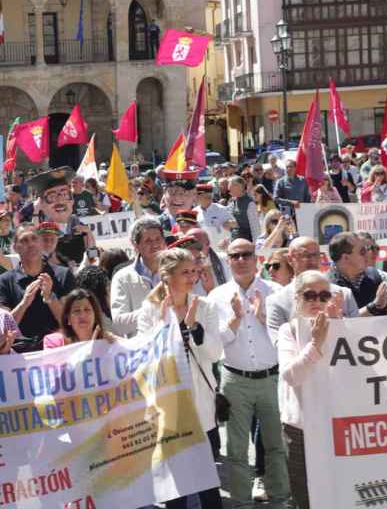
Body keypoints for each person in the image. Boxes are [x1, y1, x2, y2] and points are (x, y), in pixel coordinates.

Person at [137, 248, 222, 509]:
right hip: (169, 408)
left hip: (201, 405)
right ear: (167, 276)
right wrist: (164, 326)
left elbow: (215, 353)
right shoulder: (150, 310)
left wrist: (194, 327)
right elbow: (145, 358)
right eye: (185, 272)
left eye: (194, 271)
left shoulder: (205, 306)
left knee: (208, 484)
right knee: (177, 487)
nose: (192, 277)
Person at [208, 238, 289, 508]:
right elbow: (215, 344)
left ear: (256, 259)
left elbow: (287, 336)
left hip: (271, 378)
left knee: (277, 446)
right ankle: (242, 503)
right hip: (235, 380)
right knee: (236, 449)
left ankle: (280, 500)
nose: (241, 260)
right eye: (235, 256)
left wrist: (262, 315)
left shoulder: (276, 291)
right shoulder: (217, 296)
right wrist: (236, 318)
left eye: (246, 254)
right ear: (228, 261)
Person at [278, 270, 343, 509]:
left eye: (323, 296)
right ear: (297, 298)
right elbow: (291, 376)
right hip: (300, 430)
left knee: (337, 493)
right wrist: (315, 344)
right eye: (310, 295)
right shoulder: (289, 330)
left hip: (336, 426)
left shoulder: (342, 327)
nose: (317, 301)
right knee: (305, 497)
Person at [0, 223, 73, 347]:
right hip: (19, 352)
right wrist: (24, 303)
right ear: (15, 247)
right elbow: (1, 328)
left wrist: (50, 298)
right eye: (24, 240)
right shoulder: (4, 281)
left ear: (41, 243)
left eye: (34, 238)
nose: (31, 244)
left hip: (56, 348)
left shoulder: (63, 275)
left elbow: (71, 322)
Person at [266, 237, 358, 345]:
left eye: (316, 255)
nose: (312, 260)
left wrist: (337, 321)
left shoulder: (344, 294)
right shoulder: (277, 301)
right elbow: (280, 344)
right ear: (290, 259)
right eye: (305, 255)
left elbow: (357, 336)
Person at [328, 232, 387, 315]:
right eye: (362, 251)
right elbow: (342, 321)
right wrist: (374, 306)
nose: (368, 254)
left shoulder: (380, 276)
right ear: (346, 258)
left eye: (368, 249)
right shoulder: (325, 287)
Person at [110, 217, 165, 337]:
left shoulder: (175, 271)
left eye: (158, 239)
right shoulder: (123, 277)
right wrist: (153, 310)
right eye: (148, 241)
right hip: (142, 346)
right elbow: (119, 324)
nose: (155, 244)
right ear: (137, 246)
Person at [43, 289, 114, 349]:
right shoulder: (53, 342)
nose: (82, 315)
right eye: (76, 311)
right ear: (68, 319)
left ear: (95, 316)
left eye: (87, 310)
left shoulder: (106, 342)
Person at [228, 176, 262, 242]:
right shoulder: (233, 201)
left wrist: (256, 244)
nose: (229, 189)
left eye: (230, 187)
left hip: (246, 241)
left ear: (239, 187)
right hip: (235, 240)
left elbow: (255, 227)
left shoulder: (250, 203)